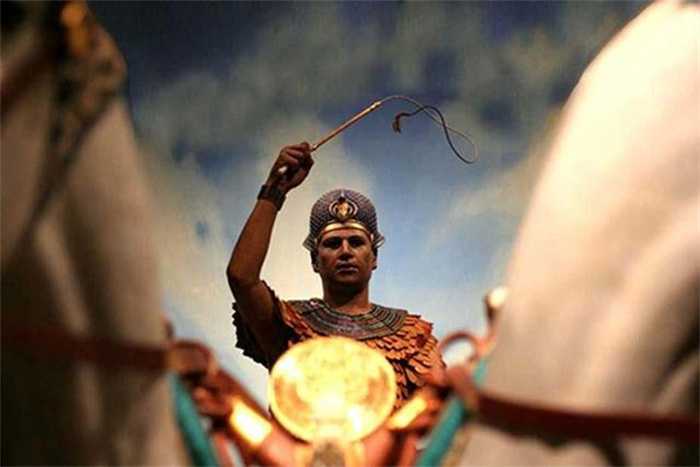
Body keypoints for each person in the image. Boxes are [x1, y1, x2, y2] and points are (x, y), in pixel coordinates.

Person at [227, 142, 442, 408]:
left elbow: (440, 417)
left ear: (374, 257)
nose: (345, 251)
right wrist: (274, 189)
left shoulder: (412, 337)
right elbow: (241, 277)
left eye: (356, 242)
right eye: (332, 244)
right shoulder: (288, 326)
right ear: (314, 261)